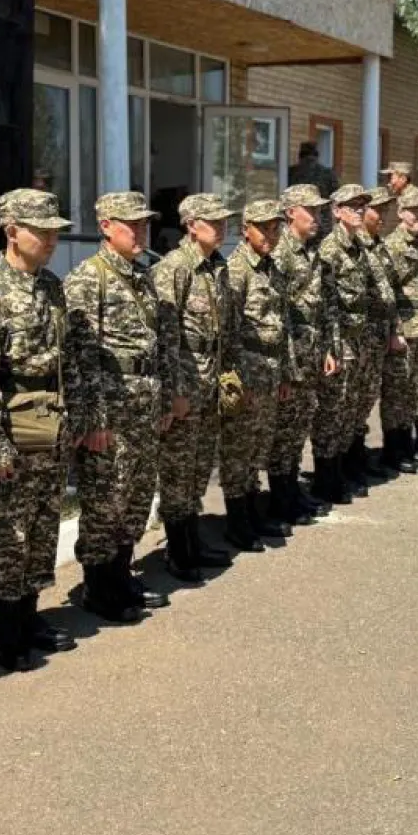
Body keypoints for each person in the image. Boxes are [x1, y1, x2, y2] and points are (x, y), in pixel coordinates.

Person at [0, 188, 78, 673]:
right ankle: (5, 633)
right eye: (41, 231)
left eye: (55, 232)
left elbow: (66, 359)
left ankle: (30, 618)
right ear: (12, 232)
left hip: (51, 422)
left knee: (44, 525)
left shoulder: (51, 286)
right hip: (12, 426)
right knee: (10, 533)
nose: (51, 240)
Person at [64, 192, 171, 621]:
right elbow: (81, 356)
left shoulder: (142, 277)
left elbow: (157, 343)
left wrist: (163, 398)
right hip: (111, 409)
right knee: (105, 499)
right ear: (106, 226)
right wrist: (93, 419)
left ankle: (121, 572)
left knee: (136, 495)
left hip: (143, 406)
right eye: (133, 225)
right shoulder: (89, 280)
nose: (142, 232)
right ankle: (98, 585)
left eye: (145, 224)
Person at [151, 193, 238, 582]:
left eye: (224, 221)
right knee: (178, 468)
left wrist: (228, 379)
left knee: (201, 464)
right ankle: (179, 551)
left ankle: (192, 539)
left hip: (211, 380)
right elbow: (165, 338)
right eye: (213, 221)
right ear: (190, 225)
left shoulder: (217, 266)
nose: (222, 227)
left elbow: (226, 331)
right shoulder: (175, 267)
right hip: (187, 379)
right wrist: (173, 392)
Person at [219, 199, 295, 551]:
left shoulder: (272, 268)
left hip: (270, 369)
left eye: (276, 228)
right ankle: (237, 521)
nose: (271, 234)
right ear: (245, 229)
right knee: (239, 450)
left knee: (258, 447)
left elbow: (282, 323)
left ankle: (252, 510)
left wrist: (284, 373)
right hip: (247, 373)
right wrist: (237, 382)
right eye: (263, 227)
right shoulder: (236, 271)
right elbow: (228, 332)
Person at [267, 184, 339, 525]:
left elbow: (321, 306)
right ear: (290, 212)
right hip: (291, 358)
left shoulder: (311, 251)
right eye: (311, 210)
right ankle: (280, 499)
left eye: (321, 210)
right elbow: (274, 317)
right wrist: (284, 368)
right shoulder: (279, 254)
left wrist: (326, 348)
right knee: (283, 433)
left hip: (310, 354)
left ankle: (293, 491)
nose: (318, 217)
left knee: (298, 428)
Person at [309, 185, 375, 504]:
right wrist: (329, 349)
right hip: (338, 341)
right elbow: (324, 306)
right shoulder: (329, 250)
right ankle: (325, 479)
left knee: (350, 408)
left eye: (363, 205)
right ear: (336, 211)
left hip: (358, 339)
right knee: (331, 411)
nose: (360, 210)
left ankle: (342, 470)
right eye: (352, 205)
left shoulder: (358, 247)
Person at [382, 186, 418, 466]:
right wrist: (394, 331)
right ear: (401, 212)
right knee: (397, 390)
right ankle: (393, 450)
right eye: (413, 210)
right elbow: (387, 292)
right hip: (404, 328)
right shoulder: (393, 245)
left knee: (413, 388)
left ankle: (406, 445)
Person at [356, 186, 409, 477]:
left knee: (366, 399)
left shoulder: (380, 246)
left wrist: (393, 330)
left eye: (388, 210)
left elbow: (391, 294)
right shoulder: (358, 246)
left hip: (378, 335)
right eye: (379, 210)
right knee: (353, 403)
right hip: (360, 339)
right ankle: (353, 461)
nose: (383, 216)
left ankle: (359, 458)